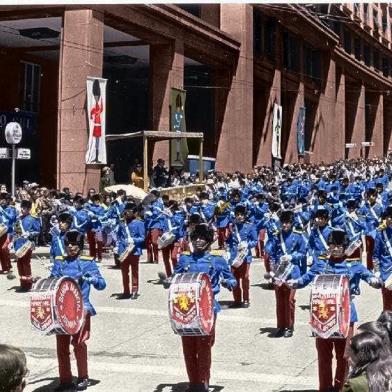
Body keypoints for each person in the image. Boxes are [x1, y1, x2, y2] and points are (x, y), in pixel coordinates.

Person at [287, 230, 382, 392]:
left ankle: (341, 387)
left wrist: (375, 280)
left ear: (345, 247)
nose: (335, 249)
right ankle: (324, 387)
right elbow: (305, 279)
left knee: (344, 356)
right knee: (324, 355)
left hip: (345, 316)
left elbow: (368, 276)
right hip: (323, 316)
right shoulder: (320, 264)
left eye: (339, 245)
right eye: (332, 245)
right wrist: (293, 282)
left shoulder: (354, 265)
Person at [167, 224, 237, 392]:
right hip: (187, 306)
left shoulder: (217, 259)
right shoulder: (184, 258)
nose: (198, 241)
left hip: (208, 307)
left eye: (202, 238)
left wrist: (229, 283)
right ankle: (193, 382)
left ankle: (203, 383)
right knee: (188, 347)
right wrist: (168, 281)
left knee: (204, 346)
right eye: (195, 238)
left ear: (208, 240)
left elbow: (232, 280)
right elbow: (176, 278)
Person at [50, 230, 106, 391]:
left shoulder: (88, 262)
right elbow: (53, 280)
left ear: (80, 246)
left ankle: (83, 377)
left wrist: (91, 278)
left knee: (79, 343)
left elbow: (102, 285)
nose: (70, 247)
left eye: (74, 244)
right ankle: (65, 380)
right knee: (61, 346)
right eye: (68, 244)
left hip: (82, 308)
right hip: (61, 309)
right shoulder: (60, 261)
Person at [265, 210, 306, 337]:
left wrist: (292, 256)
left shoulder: (298, 235)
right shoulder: (277, 235)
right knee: (280, 300)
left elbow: (303, 252)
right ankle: (281, 326)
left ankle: (289, 326)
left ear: (291, 223)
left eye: (287, 223)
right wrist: (271, 238)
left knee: (289, 300)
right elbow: (269, 251)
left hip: (292, 272)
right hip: (279, 271)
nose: (285, 225)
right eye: (283, 223)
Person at [225, 204, 258, 308]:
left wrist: (247, 244)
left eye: (241, 215)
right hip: (234, 257)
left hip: (244, 256)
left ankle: (246, 299)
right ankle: (237, 300)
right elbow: (228, 241)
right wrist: (227, 250)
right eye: (237, 214)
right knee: (234, 278)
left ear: (244, 216)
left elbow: (255, 241)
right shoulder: (231, 227)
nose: (239, 216)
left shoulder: (250, 226)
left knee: (245, 277)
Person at [117, 203, 145, 299]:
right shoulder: (122, 223)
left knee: (134, 271)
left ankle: (134, 290)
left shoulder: (140, 223)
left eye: (130, 211)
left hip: (134, 250)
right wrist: (118, 246)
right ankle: (126, 291)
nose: (127, 212)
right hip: (124, 250)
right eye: (126, 210)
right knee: (124, 272)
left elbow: (142, 238)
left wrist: (133, 240)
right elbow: (119, 236)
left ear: (134, 212)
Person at [13, 200, 41, 291]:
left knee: (25, 263)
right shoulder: (19, 219)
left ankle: (28, 284)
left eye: (24, 208)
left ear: (29, 209)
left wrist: (29, 234)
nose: (22, 209)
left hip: (27, 243)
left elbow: (38, 231)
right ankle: (22, 283)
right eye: (22, 207)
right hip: (18, 243)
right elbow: (16, 232)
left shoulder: (33, 219)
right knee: (19, 264)